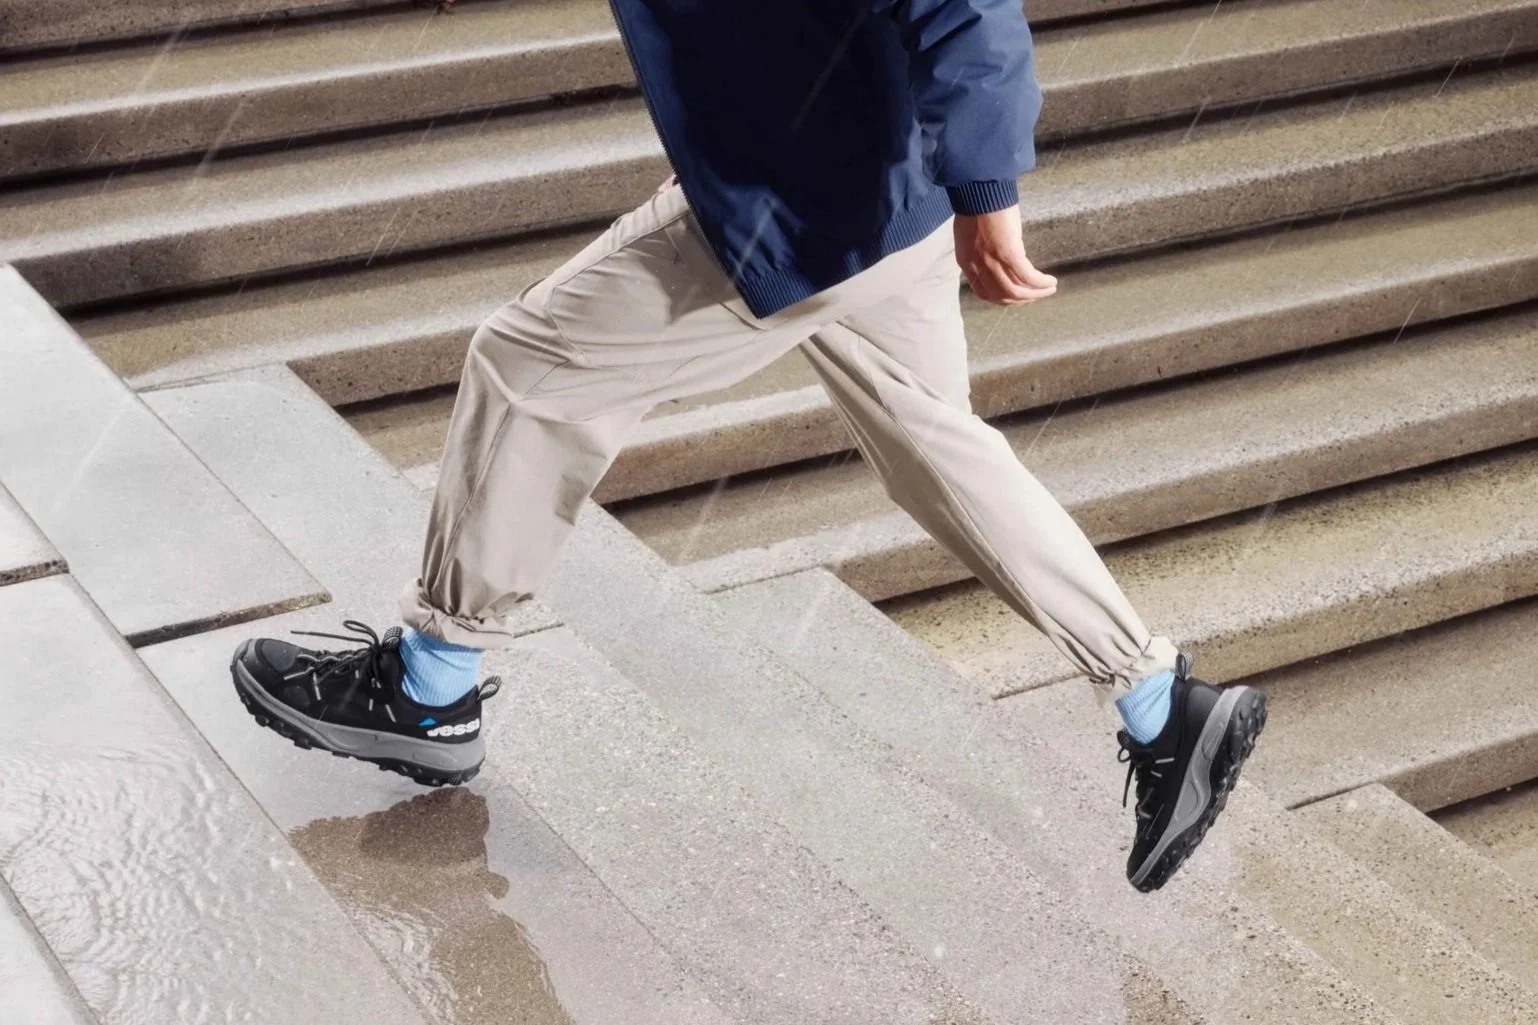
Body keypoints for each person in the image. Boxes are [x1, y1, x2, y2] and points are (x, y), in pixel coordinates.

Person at [231, 0, 1266, 892]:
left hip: (807, 198)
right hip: (884, 187)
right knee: (939, 453)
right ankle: (1157, 698)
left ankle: (429, 687)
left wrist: (990, 183)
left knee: (525, 366)